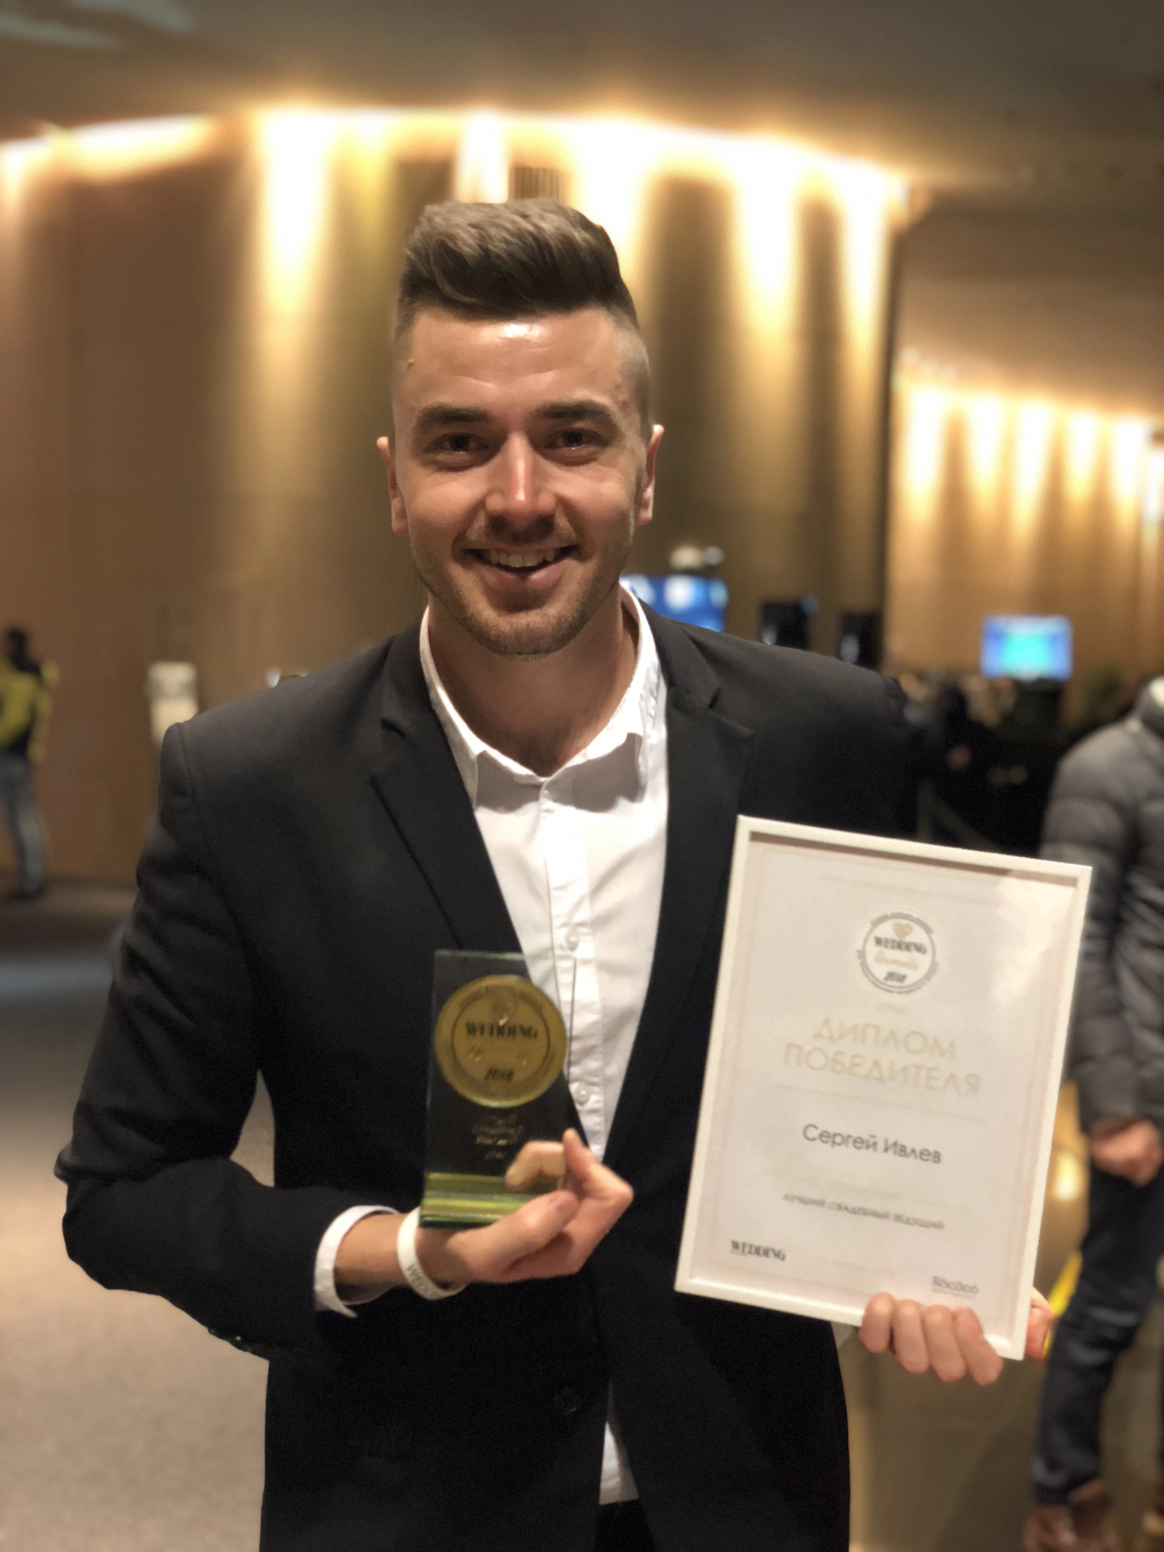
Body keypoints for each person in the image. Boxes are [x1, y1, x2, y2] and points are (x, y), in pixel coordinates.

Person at [58, 200, 1050, 1552]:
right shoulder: (250, 787)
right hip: (411, 1511)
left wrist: (937, 1243)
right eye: (460, 442)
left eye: (572, 437)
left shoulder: (825, 738)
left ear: (645, 470)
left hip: (747, 1500)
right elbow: (124, 1191)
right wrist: (408, 1249)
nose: (519, 496)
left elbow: (901, 1052)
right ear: (394, 480)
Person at [1024, 676, 1164, 1552]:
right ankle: (1062, 1493)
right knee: (1109, 1303)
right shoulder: (1107, 766)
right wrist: (1113, 1109)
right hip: (1147, 1092)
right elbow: (1073, 937)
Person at [0, 625, 53, 900]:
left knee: (20, 815)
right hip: (19, 753)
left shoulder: (22, 673)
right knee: (23, 814)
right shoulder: (31, 672)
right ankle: (33, 876)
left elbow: (15, 719)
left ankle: (33, 877)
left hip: (12, 754)